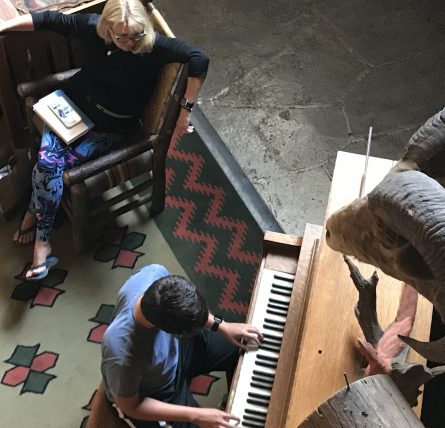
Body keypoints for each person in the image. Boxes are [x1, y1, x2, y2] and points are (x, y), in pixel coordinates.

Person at [0, 0, 208, 280]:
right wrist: (4, 26)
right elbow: (46, 19)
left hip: (107, 127)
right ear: (106, 28)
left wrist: (185, 112)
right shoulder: (91, 28)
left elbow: (199, 58)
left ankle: (39, 235)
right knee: (48, 164)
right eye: (120, 36)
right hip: (69, 109)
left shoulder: (153, 46)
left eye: (135, 35)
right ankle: (38, 228)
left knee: (47, 165)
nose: (129, 43)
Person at [102, 264, 263, 427]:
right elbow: (130, 406)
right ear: (169, 331)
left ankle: (237, 401)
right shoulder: (122, 354)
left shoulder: (155, 274)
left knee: (241, 346)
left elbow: (186, 305)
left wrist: (222, 326)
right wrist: (196, 415)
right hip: (157, 390)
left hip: (180, 350)